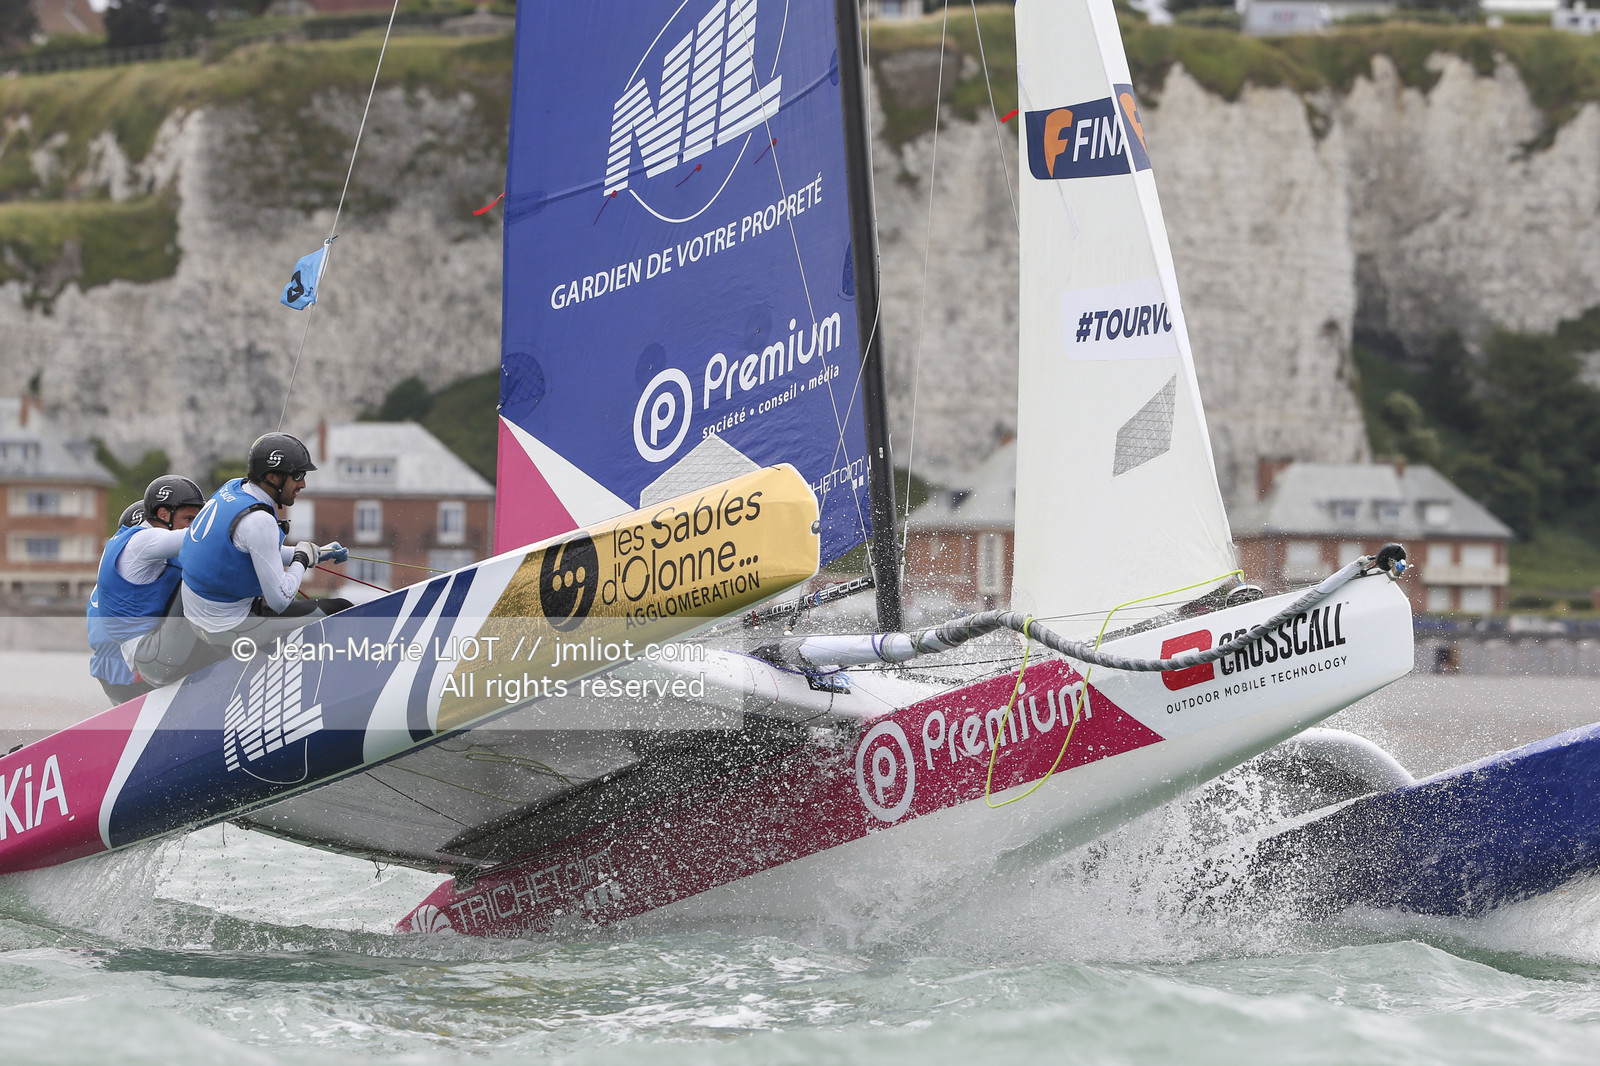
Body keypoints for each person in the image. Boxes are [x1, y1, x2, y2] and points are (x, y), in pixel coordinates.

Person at [131, 433, 351, 685]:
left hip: (200, 618)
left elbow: (255, 550)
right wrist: (301, 558)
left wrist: (316, 553)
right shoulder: (259, 521)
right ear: (273, 477)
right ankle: (340, 683)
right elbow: (279, 600)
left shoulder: (232, 489)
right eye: (298, 475)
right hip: (227, 628)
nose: (303, 484)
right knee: (340, 609)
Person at [87, 475, 206, 704]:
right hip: (133, 670)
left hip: (110, 672)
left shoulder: (116, 557)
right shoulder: (144, 545)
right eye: (189, 519)